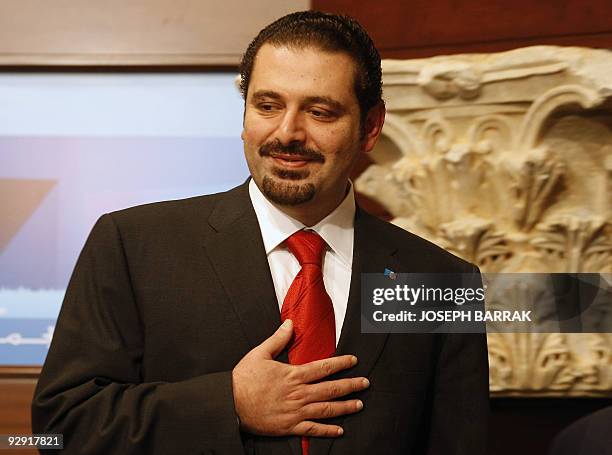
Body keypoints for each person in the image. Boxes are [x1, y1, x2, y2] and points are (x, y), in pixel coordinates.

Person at [32, 11, 489, 454]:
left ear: (370, 127)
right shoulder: (132, 245)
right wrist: (226, 404)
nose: (287, 133)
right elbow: (61, 429)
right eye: (267, 106)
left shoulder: (442, 283)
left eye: (321, 112)